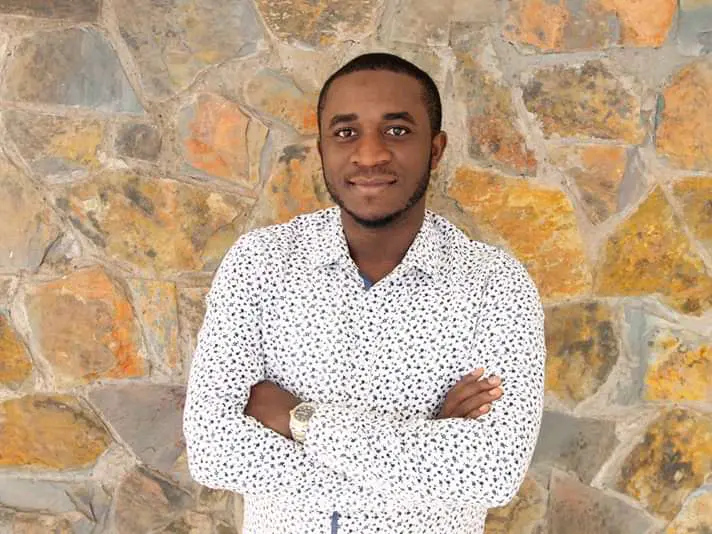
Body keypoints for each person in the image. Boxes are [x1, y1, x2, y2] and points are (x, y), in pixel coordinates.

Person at [183, 52, 546, 534]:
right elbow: (212, 451)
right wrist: (428, 452)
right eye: (346, 132)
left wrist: (299, 420)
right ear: (321, 150)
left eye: (397, 130)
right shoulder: (260, 264)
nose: (370, 154)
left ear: (435, 149)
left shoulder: (495, 285)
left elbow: (492, 474)